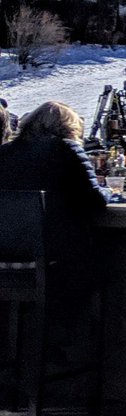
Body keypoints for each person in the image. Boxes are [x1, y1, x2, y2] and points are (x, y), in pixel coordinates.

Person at [0, 100, 108, 298]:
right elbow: (96, 201)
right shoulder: (66, 149)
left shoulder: (5, 152)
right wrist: (110, 191)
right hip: (55, 257)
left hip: (6, 255)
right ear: (68, 127)